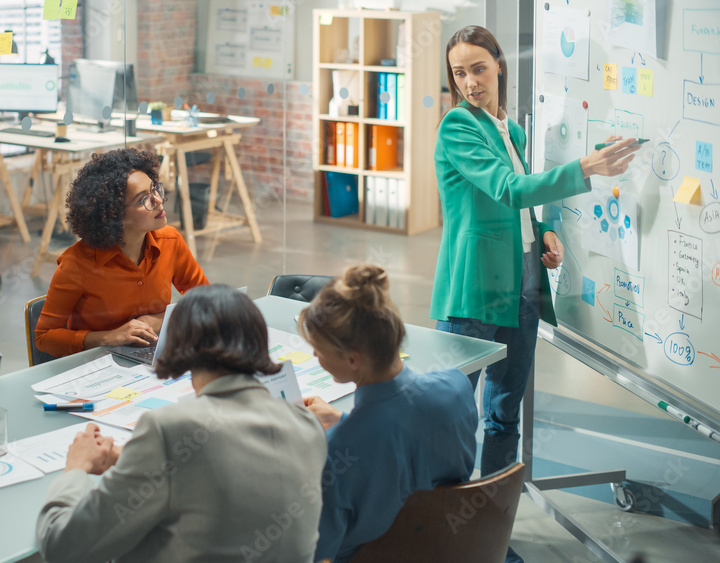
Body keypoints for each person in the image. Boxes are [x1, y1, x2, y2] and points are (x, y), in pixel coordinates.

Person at [433, 26, 642, 562]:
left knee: (503, 417)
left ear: (499, 66)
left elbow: (517, 202)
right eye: (459, 72)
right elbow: (504, 188)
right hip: (473, 292)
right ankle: (443, 537)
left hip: (521, 285)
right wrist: (585, 169)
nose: (470, 83)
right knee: (451, 421)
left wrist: (543, 231)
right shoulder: (458, 127)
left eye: (478, 68)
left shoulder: (512, 132)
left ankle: (490, 537)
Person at [36, 285, 327, 562]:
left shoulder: (168, 428)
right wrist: (131, 458)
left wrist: (76, 468)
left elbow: (61, 545)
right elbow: (226, 468)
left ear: (177, 343)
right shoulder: (305, 423)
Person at [299, 265, 477, 563]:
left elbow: (316, 553)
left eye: (318, 349)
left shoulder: (337, 451)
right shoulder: (457, 387)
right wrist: (343, 422)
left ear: (353, 359)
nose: (315, 356)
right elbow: (402, 445)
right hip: (447, 549)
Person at [34, 148, 208, 357]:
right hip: (96, 366)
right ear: (115, 216)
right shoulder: (77, 263)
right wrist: (109, 337)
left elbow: (206, 300)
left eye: (155, 190)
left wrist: (159, 320)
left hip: (151, 359)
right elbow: (44, 337)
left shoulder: (170, 240)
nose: (159, 201)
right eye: (144, 199)